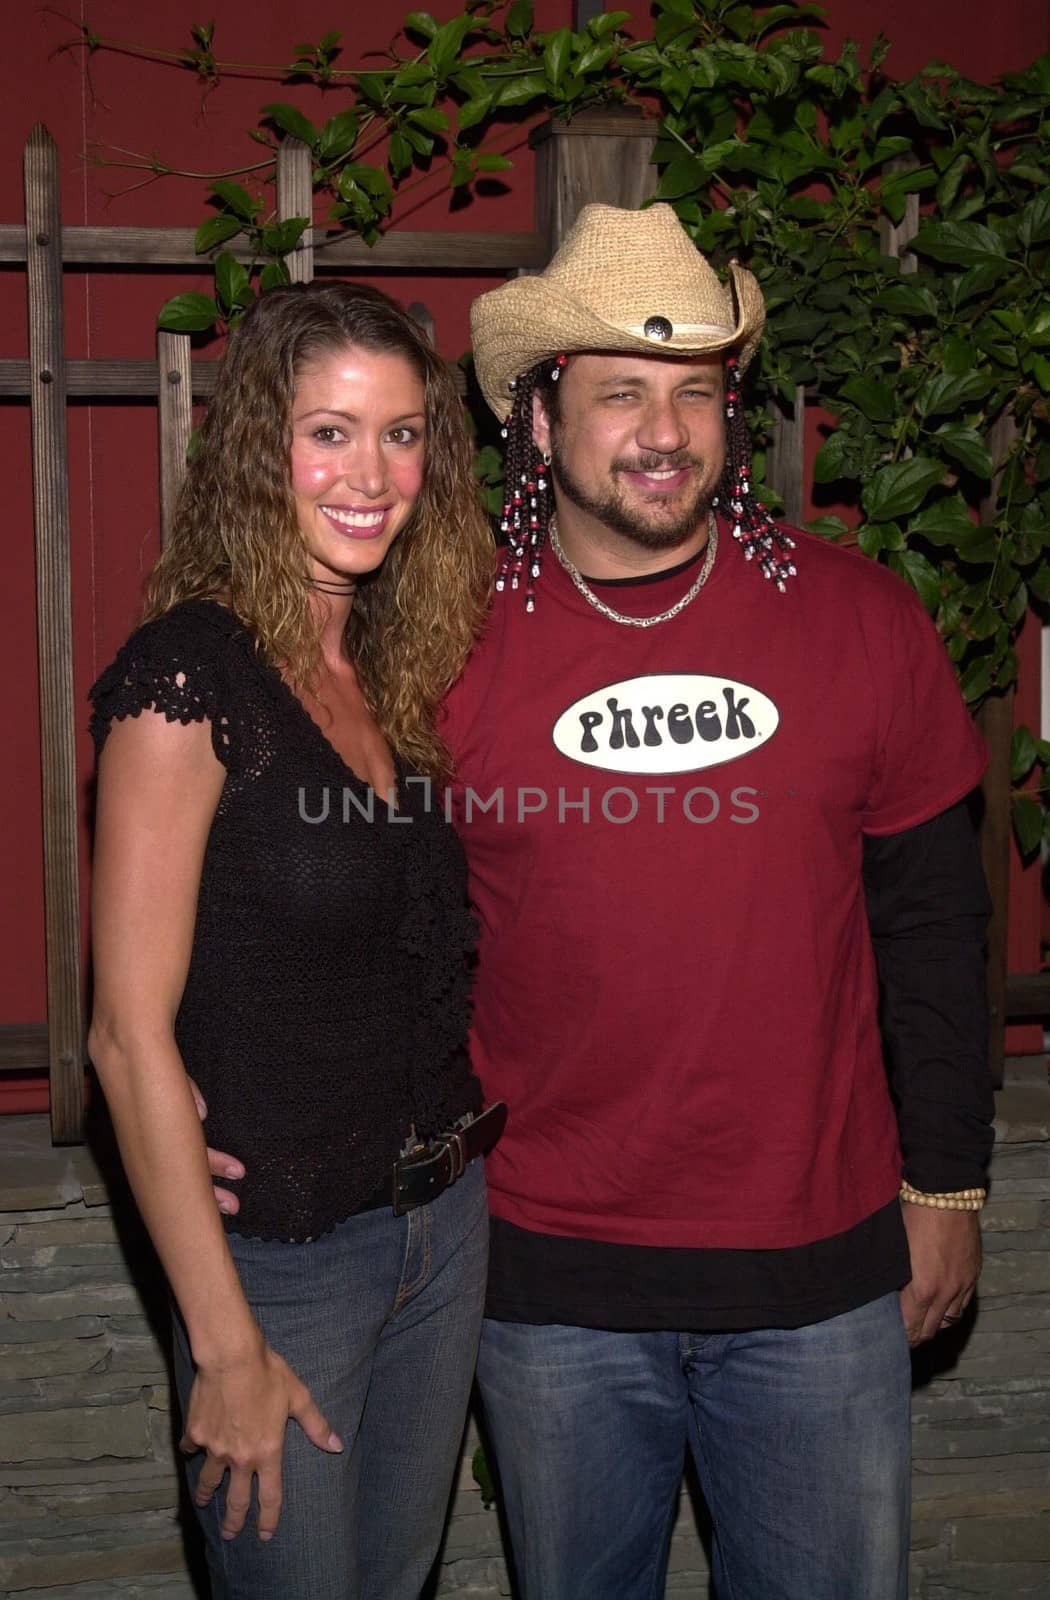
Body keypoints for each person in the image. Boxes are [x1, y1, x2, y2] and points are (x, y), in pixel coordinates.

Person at [205, 207, 995, 1599]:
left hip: (817, 1268)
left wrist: (942, 1179)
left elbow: (932, 923)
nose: (663, 431)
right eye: (620, 389)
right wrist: (223, 1093)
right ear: (535, 412)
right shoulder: (439, 642)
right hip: (547, 1277)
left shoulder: (861, 620)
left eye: (697, 392)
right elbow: (332, 907)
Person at [87, 280, 502, 1600]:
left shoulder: (387, 664)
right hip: (282, 1265)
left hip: (442, 1225)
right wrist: (222, 1339)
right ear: (261, 451)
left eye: (398, 434)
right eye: (328, 433)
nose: (368, 474)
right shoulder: (191, 673)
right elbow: (123, 1031)